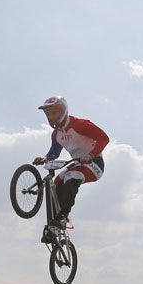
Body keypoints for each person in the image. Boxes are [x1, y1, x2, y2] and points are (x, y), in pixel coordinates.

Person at [33, 97, 109, 241]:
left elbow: (104, 138)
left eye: (54, 113)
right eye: (48, 114)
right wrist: (44, 158)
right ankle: (54, 227)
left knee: (72, 175)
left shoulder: (80, 124)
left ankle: (62, 216)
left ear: (63, 111)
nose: (51, 117)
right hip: (76, 163)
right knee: (54, 184)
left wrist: (91, 155)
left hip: (94, 163)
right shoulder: (56, 134)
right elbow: (54, 153)